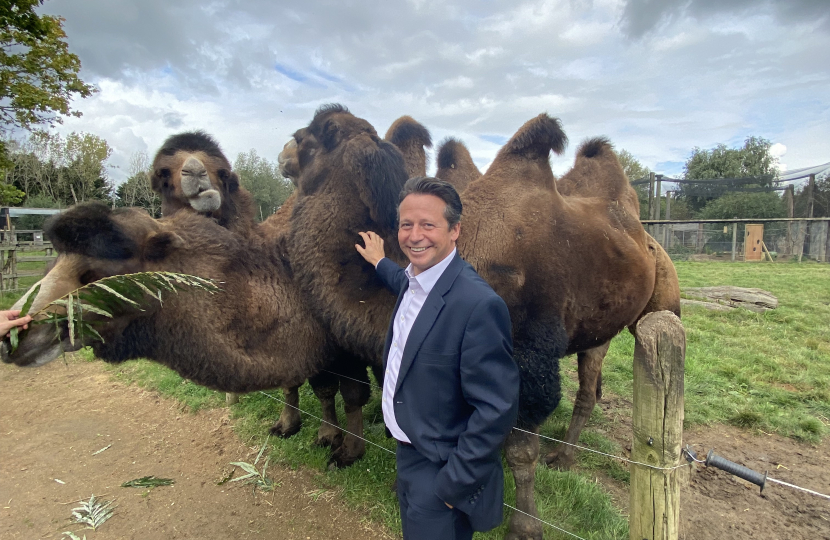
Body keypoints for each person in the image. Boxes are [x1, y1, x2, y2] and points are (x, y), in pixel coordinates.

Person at [355, 176, 520, 540]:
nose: (415, 236)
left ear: (455, 230)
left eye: (428, 225)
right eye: (406, 225)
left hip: (441, 467)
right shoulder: (416, 281)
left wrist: (451, 486)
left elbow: (498, 407)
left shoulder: (478, 305)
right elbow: (402, 281)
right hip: (409, 450)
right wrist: (379, 261)